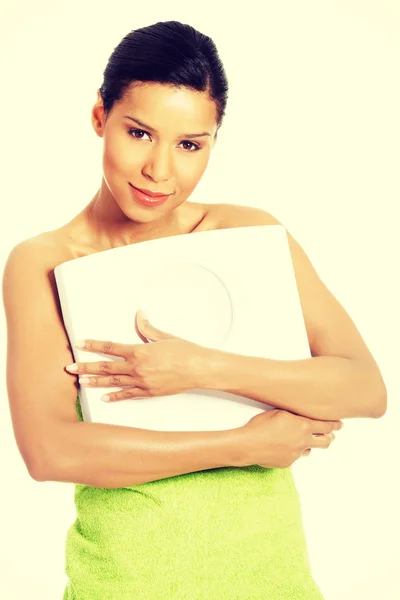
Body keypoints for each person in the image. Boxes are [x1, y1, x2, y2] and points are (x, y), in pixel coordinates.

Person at [2, 20, 386, 600]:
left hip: (274, 579)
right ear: (99, 117)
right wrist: (244, 445)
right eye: (138, 133)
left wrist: (203, 367)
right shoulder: (45, 263)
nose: (161, 170)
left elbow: (363, 387)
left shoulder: (250, 234)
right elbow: (50, 451)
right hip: (126, 583)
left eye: (189, 145)